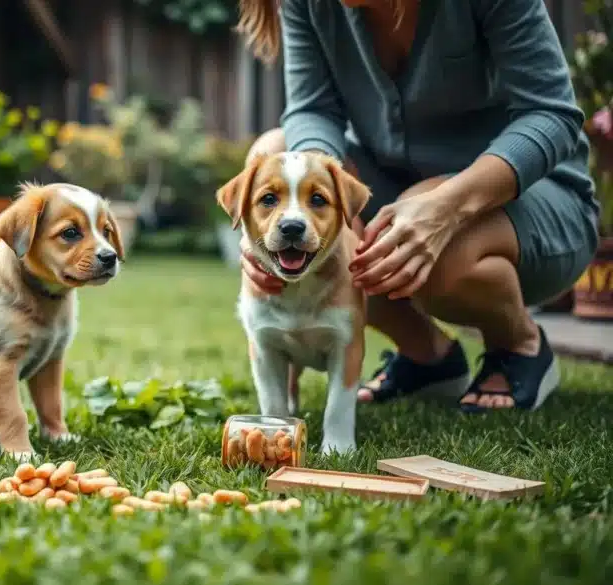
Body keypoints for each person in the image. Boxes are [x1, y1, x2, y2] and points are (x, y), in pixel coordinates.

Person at [234, 0, 599, 412]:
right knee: (274, 150)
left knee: (432, 241)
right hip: (395, 189)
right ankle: (428, 355)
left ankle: (519, 344)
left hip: (534, 198)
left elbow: (552, 115)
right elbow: (312, 109)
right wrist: (319, 210)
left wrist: (446, 207)